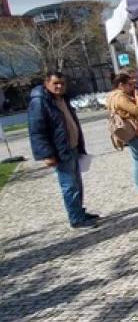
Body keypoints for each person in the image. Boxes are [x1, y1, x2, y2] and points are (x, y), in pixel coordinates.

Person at [27, 72, 99, 228]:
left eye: (62, 83)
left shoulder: (62, 99)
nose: (59, 86)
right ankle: (76, 219)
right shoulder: (40, 102)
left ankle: (79, 212)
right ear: (46, 83)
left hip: (71, 147)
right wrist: (46, 154)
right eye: (55, 83)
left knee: (77, 184)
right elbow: (37, 131)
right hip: (60, 151)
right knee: (69, 186)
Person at [106, 73, 138, 201]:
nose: (133, 87)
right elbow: (136, 110)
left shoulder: (114, 96)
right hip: (134, 130)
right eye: (129, 84)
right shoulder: (119, 97)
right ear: (121, 85)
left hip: (135, 130)